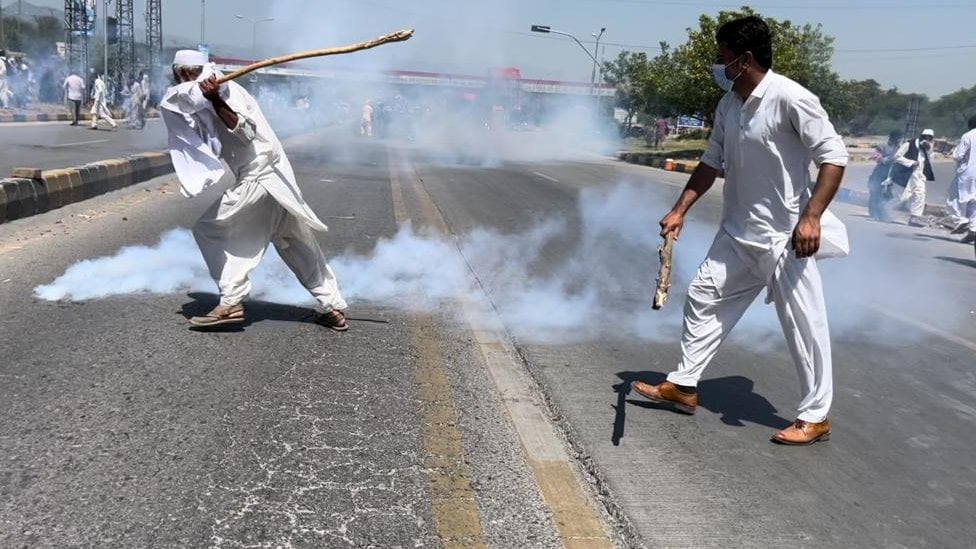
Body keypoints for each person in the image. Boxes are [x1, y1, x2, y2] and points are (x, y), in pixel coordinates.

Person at [630, 16, 849, 446]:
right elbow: (711, 163)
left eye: (722, 57)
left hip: (784, 238)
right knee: (702, 297)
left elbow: (833, 157)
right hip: (737, 233)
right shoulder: (729, 103)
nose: (717, 64)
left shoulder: (792, 98)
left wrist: (811, 217)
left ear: (744, 58)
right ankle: (684, 384)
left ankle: (815, 415)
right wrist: (680, 210)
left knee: (804, 326)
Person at [159, 50, 348, 331]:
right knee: (297, 243)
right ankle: (332, 305)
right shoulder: (212, 90)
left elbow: (245, 131)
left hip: (260, 175)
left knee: (211, 229)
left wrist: (214, 99)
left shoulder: (225, 91)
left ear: (184, 73)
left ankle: (230, 302)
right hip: (275, 179)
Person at [889, 129, 936, 227]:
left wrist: (928, 150)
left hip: (920, 175)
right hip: (907, 173)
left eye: (929, 138)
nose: (927, 139)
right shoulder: (909, 144)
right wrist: (911, 162)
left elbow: (930, 159)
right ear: (922, 136)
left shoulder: (928, 147)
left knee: (920, 195)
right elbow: (897, 156)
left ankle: (914, 218)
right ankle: (883, 208)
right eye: (925, 137)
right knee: (902, 197)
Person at [947, 115, 976, 244]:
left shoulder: (968, 135)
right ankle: (973, 230)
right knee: (973, 202)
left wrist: (953, 152)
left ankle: (960, 220)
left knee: (952, 198)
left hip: (966, 172)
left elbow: (959, 156)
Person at [867, 130, 903, 221]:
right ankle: (874, 213)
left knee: (888, 195)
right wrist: (888, 159)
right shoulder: (882, 147)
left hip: (891, 176)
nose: (899, 140)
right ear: (892, 138)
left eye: (900, 139)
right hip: (879, 174)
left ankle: (882, 212)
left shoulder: (900, 148)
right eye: (898, 138)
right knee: (875, 193)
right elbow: (876, 157)